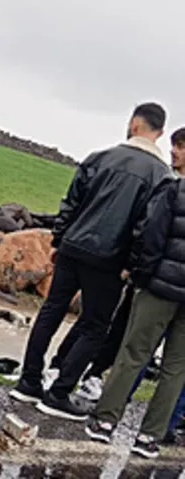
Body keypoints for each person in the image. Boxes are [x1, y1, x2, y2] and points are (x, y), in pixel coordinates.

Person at [9, 103, 172, 420]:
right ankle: (59, 393)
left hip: (72, 247)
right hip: (110, 260)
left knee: (51, 310)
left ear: (133, 124)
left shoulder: (99, 157)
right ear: (160, 134)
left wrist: (59, 240)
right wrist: (133, 265)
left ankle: (29, 381)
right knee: (95, 326)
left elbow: (71, 201)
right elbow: (146, 227)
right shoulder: (160, 177)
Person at [85, 170, 185, 459]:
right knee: (176, 368)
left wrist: (142, 274)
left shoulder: (174, 189)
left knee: (133, 353)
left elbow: (152, 233)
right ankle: (150, 436)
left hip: (159, 287)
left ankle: (105, 420)